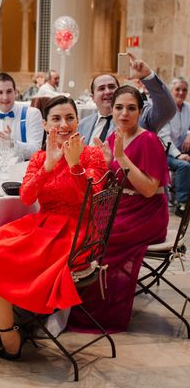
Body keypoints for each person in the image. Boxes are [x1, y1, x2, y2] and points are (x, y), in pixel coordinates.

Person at [0, 96, 106, 360]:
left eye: (69, 117)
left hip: (73, 233)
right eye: (56, 119)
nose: (64, 124)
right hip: (41, 225)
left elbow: (94, 202)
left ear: (78, 121)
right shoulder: (40, 157)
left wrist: (75, 163)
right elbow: (26, 197)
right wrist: (48, 165)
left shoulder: (92, 154)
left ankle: (9, 333)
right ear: (45, 125)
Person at [69, 85, 169, 333]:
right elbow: (114, 181)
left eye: (131, 108)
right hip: (122, 206)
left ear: (140, 110)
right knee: (79, 230)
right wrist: (106, 163)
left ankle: (100, 311)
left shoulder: (149, 140)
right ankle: (76, 302)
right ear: (111, 109)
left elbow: (148, 189)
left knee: (98, 239)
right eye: (119, 107)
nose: (124, 113)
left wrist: (122, 159)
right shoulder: (115, 136)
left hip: (146, 213)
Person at [78, 54, 176, 145]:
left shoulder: (139, 115)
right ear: (93, 97)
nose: (107, 91)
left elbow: (167, 110)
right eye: (101, 88)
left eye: (111, 87)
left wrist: (147, 76)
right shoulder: (84, 124)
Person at [0, 73, 43, 161]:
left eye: (9, 91)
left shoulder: (32, 114)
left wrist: (12, 144)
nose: (5, 97)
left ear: (15, 92)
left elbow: (36, 150)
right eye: (0, 92)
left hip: (24, 171)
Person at [159, 77, 190, 217]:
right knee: (184, 165)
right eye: (177, 89)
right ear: (171, 91)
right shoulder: (166, 110)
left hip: (183, 149)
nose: (181, 92)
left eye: (184, 90)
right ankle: (181, 203)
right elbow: (164, 137)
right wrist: (178, 155)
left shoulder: (188, 107)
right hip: (165, 153)